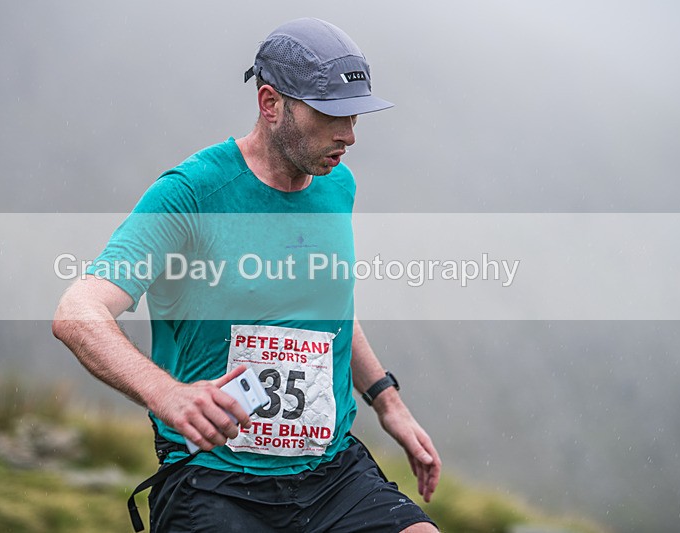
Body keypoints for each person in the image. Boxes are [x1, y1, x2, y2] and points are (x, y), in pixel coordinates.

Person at [53, 17, 441, 532]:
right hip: (213, 480)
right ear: (270, 103)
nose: (349, 135)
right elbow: (77, 312)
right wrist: (167, 394)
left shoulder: (337, 184)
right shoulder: (191, 193)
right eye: (331, 114)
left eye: (354, 115)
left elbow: (329, 309)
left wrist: (388, 402)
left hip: (330, 474)